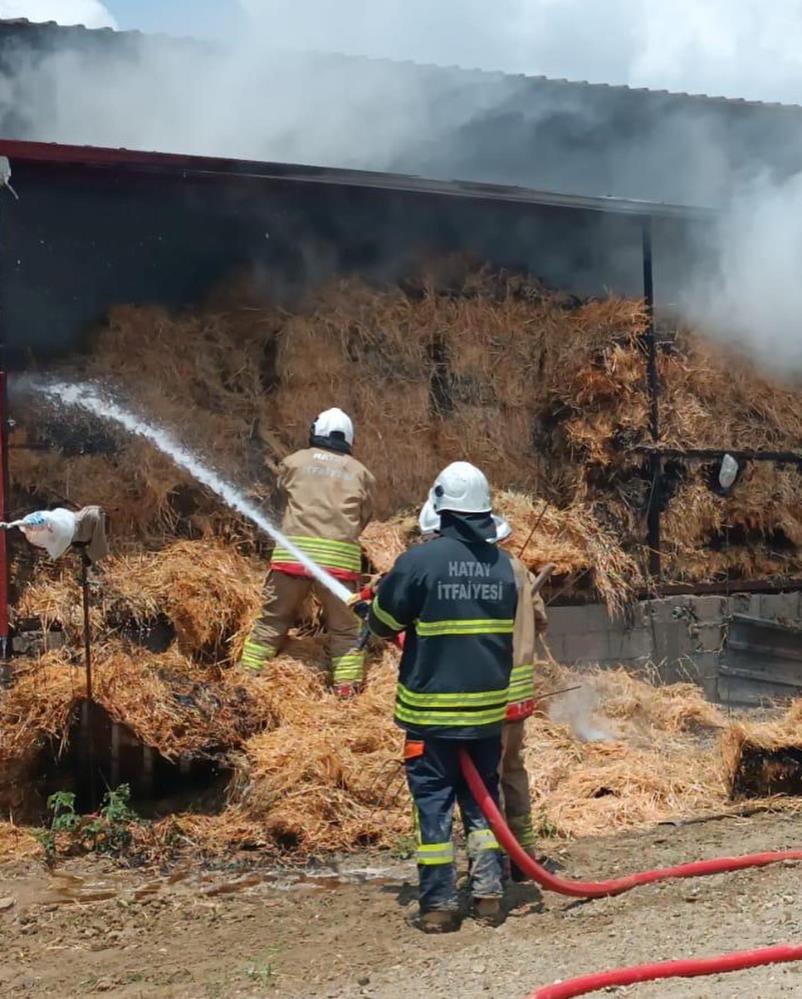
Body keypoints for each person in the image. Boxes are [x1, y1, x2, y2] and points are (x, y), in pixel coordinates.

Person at [366, 461, 528, 933]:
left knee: (433, 807)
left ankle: (437, 906)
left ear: (443, 511)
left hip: (431, 717)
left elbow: (383, 625)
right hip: (484, 717)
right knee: (482, 805)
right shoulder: (504, 568)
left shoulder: (418, 562)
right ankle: (489, 897)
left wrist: (371, 605)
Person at [419, 498, 549, 881]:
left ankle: (499, 862)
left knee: (485, 777)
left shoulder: (468, 573)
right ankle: (525, 853)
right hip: (520, 692)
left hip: (486, 694)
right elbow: (540, 619)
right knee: (513, 769)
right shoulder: (517, 569)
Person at [239, 408, 375, 698]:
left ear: (316, 432)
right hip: (339, 566)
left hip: (293, 558)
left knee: (271, 621)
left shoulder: (294, 462)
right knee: (346, 632)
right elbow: (363, 517)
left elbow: (281, 498)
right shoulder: (361, 473)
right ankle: (346, 691)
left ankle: (245, 680)